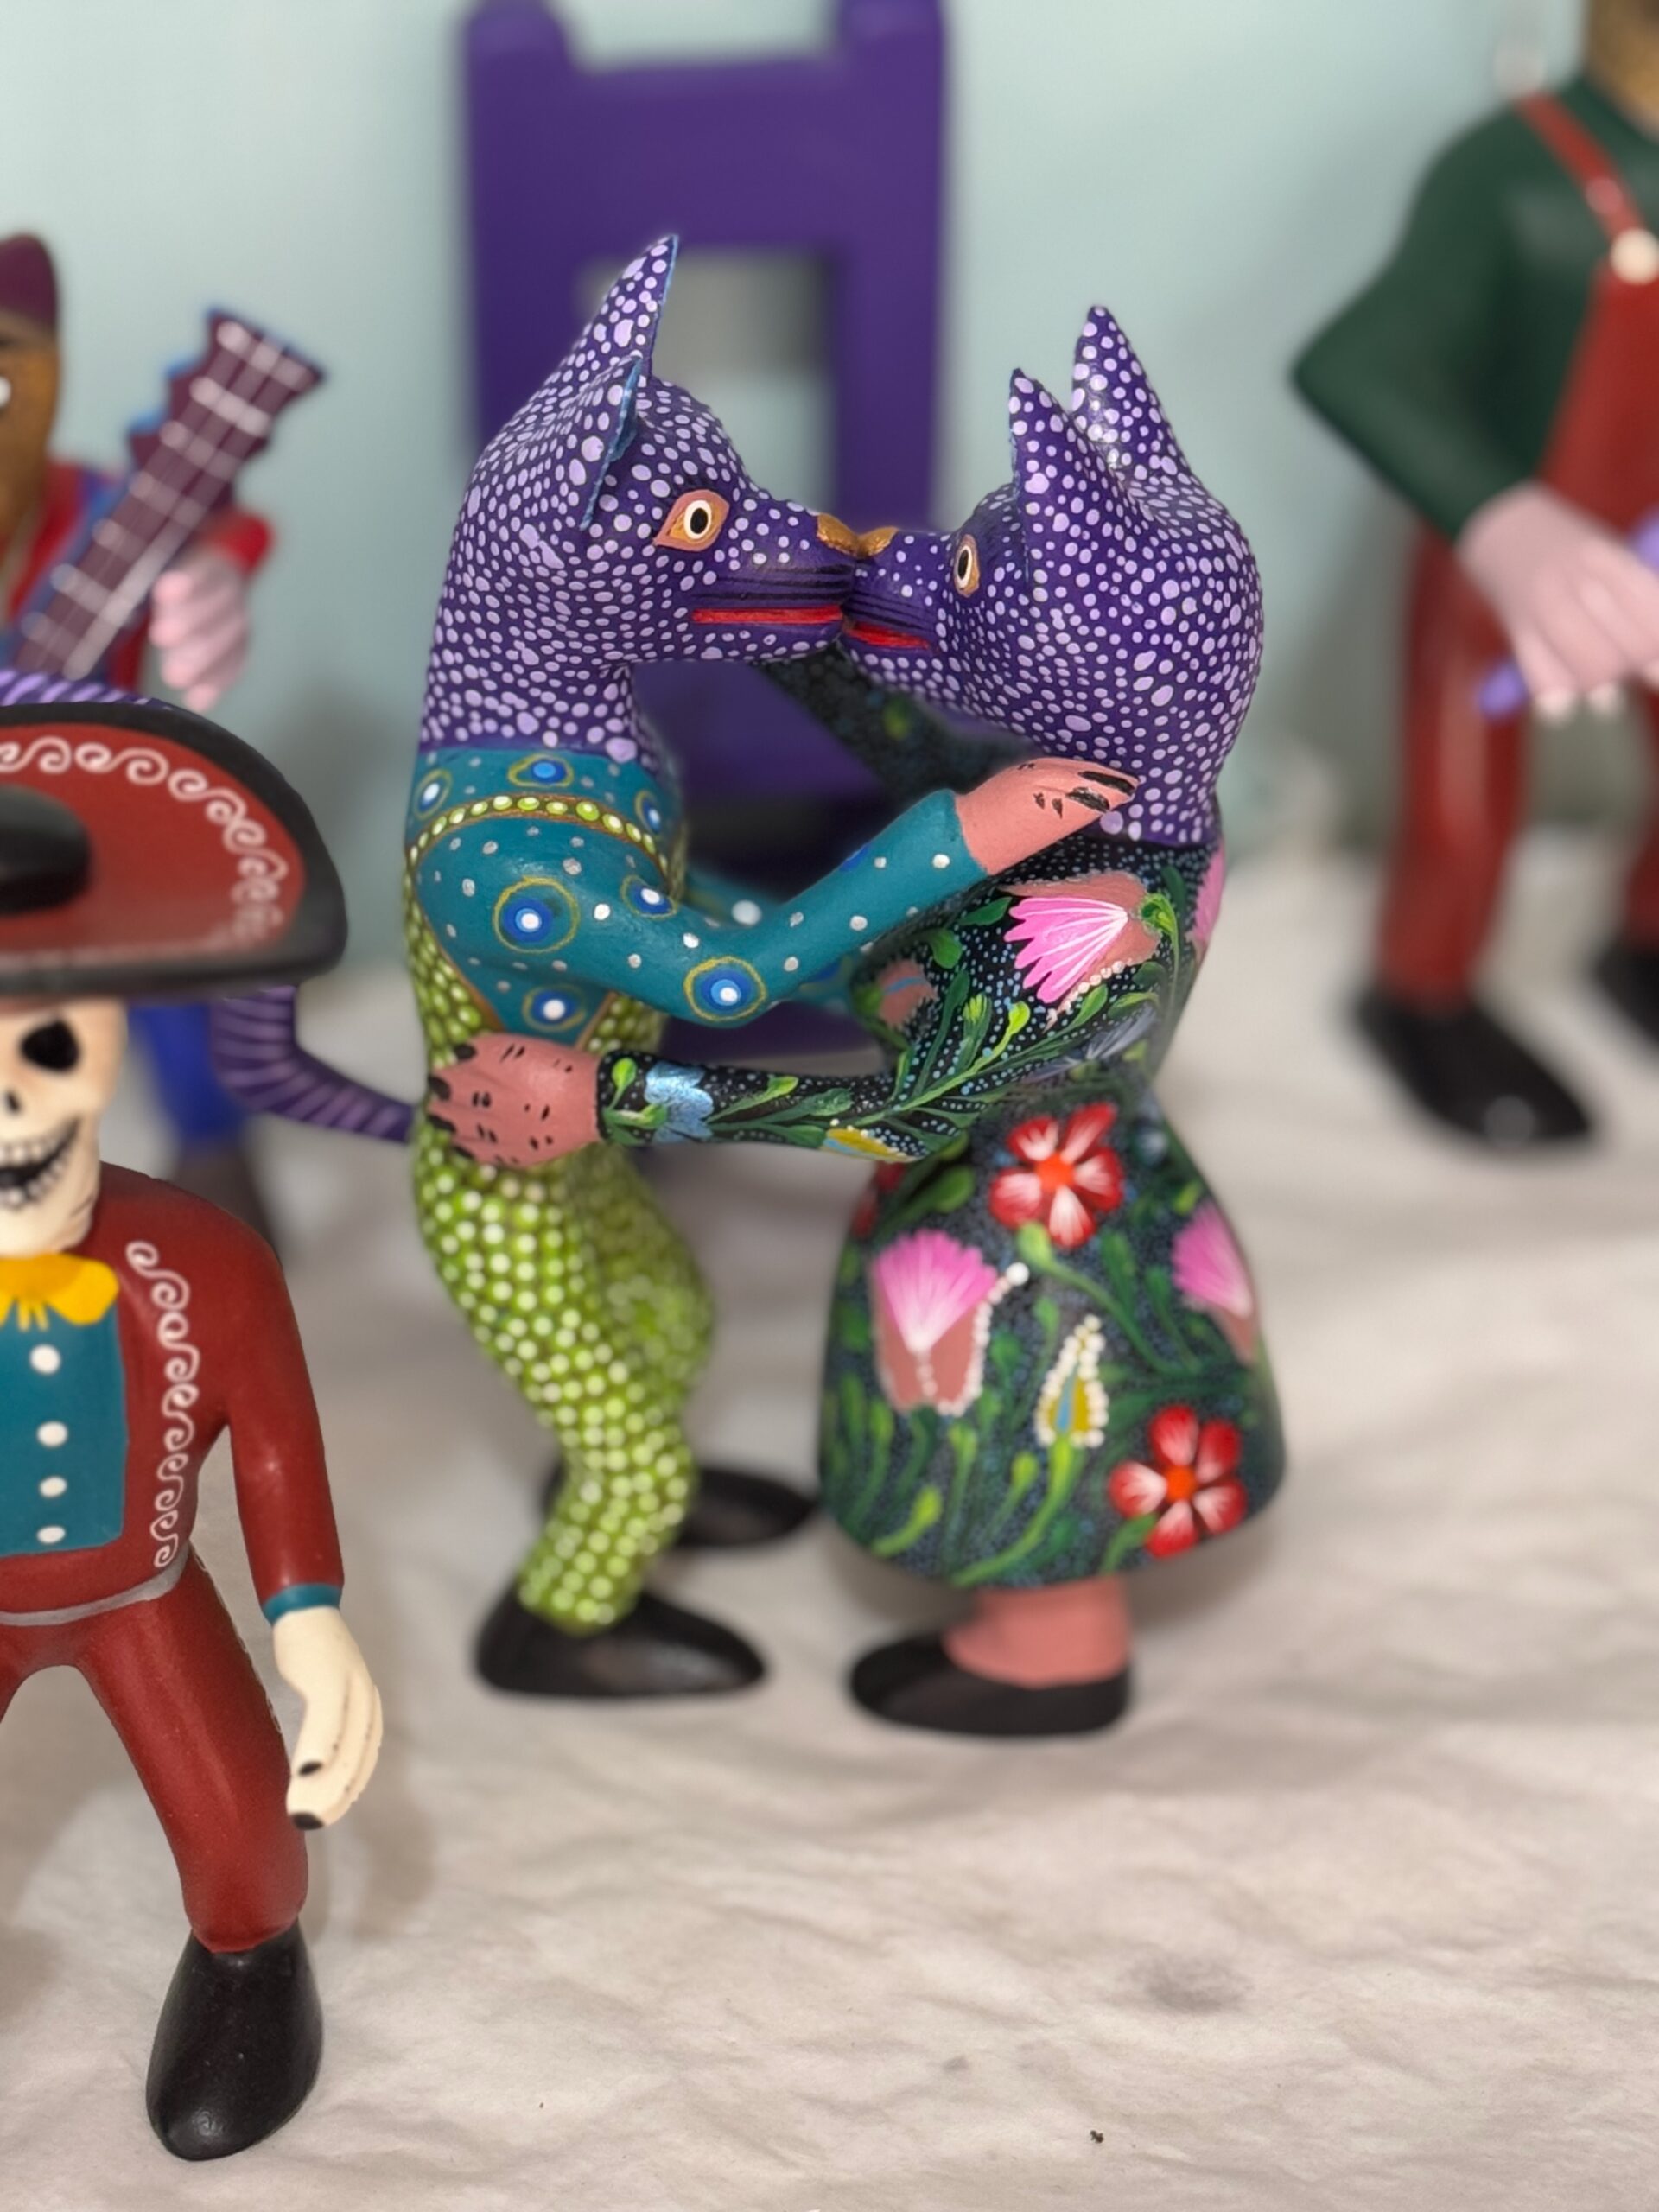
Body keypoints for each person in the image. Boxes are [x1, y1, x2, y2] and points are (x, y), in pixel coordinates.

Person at [1295, 0, 1659, 1145]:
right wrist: (1505, 523)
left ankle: (1647, 940)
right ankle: (1426, 990)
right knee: (1464, 788)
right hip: (1510, 558)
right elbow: (1355, 362)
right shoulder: (1510, 174)